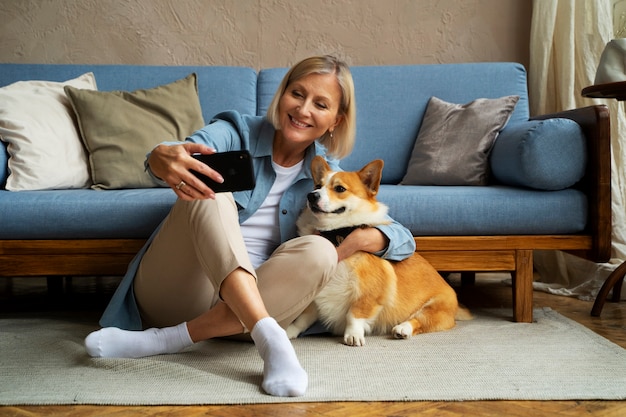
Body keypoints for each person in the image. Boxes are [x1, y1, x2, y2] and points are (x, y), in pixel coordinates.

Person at [84, 55, 416, 397]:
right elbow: (183, 152)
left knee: (321, 250)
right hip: (180, 290)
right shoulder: (235, 130)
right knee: (210, 193)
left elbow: (404, 238)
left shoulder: (326, 177)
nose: (303, 110)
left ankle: (167, 340)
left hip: (252, 308)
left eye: (320, 104)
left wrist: (361, 238)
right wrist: (160, 156)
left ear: (335, 120)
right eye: (297, 94)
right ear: (282, 94)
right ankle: (270, 339)